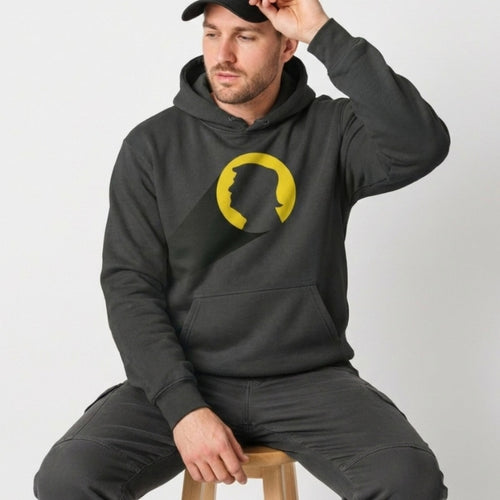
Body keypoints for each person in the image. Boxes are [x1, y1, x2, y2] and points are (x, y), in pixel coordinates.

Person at [34, 0, 450, 498]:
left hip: (309, 380)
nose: (223, 55)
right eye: (212, 34)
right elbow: (129, 287)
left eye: (245, 37)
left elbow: (420, 144)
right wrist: (183, 408)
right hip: (186, 377)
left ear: (287, 45)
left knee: (409, 481)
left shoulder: (333, 130)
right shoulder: (152, 146)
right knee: (68, 479)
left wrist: (323, 31)